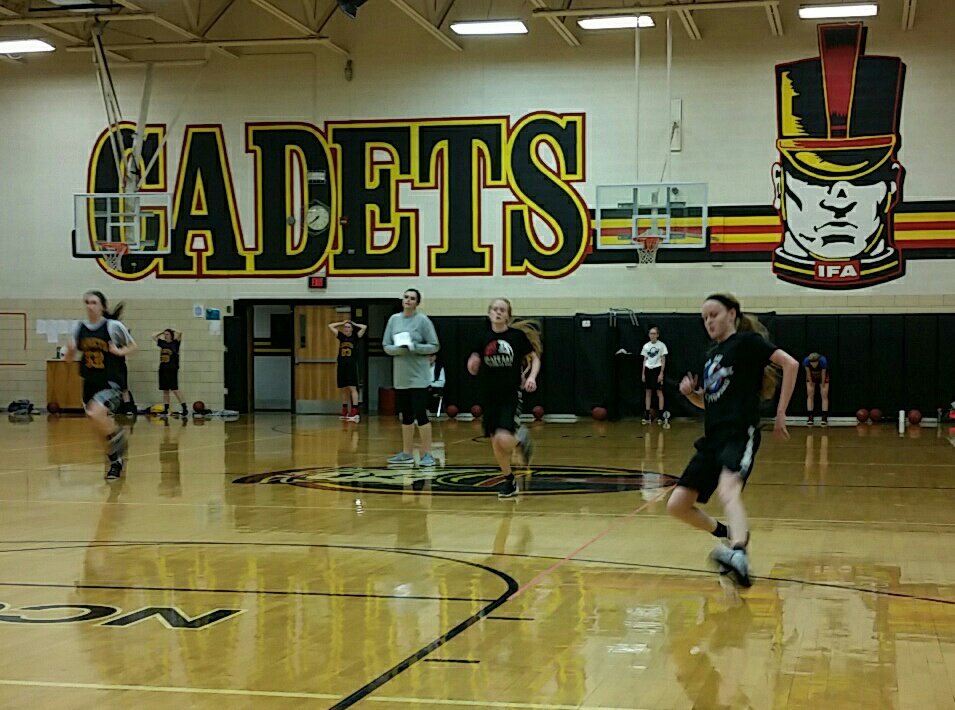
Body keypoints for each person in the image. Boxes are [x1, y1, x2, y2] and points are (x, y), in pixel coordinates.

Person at [667, 293, 798, 587]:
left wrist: (780, 412)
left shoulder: (748, 343)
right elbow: (709, 403)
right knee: (677, 505)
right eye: (704, 318)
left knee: (729, 490)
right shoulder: (710, 355)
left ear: (732, 314)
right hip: (712, 438)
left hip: (740, 432)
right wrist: (691, 395)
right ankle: (728, 533)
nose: (708, 322)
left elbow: (791, 364)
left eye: (713, 314)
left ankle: (739, 553)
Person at [467, 298, 541, 499]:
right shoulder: (482, 336)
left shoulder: (516, 337)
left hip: (509, 394)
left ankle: (521, 443)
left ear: (508, 315)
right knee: (496, 442)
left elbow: (535, 358)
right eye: (494, 309)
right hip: (488, 394)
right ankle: (509, 481)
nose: (498, 312)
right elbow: (473, 360)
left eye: (502, 310)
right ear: (489, 313)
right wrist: (473, 363)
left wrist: (532, 377)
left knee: (502, 436)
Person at [64, 291, 138, 480]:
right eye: (87, 302)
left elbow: (133, 346)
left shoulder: (113, 326)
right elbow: (68, 360)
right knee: (98, 426)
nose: (90, 306)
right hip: (90, 382)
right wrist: (70, 352)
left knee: (94, 412)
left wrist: (119, 351)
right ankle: (115, 461)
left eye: (94, 302)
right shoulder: (78, 328)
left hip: (111, 381)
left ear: (102, 306)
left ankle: (118, 437)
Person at [383, 289, 440, 466]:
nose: (408, 300)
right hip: (401, 377)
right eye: (406, 297)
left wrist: (414, 347)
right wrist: (398, 349)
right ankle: (406, 452)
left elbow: (434, 345)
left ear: (417, 303)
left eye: (412, 298)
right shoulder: (394, 320)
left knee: (420, 414)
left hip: (418, 377)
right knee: (406, 415)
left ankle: (427, 454)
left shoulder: (423, 321)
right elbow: (386, 345)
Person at [327, 319, 367, 422]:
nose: (346, 329)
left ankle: (355, 411)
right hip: (341, 365)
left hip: (351, 365)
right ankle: (345, 410)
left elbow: (364, 327)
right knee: (344, 388)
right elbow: (330, 326)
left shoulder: (355, 337)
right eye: (345, 327)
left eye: (348, 327)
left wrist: (354, 323)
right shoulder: (341, 337)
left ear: (352, 329)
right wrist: (342, 323)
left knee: (352, 388)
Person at [152, 328, 188, 417]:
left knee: (175, 389)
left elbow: (180, 332)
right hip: (163, 368)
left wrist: (173, 330)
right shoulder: (162, 343)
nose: (165, 335)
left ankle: (184, 407)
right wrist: (161, 331)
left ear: (171, 335)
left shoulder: (175, 343)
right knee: (165, 390)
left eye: (167, 334)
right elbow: (153, 336)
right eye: (165, 334)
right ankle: (166, 409)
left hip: (172, 369)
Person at [641, 326, 669, 424]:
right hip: (648, 369)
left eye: (654, 333)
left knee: (659, 392)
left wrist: (661, 373)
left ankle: (661, 415)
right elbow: (644, 360)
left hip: (657, 369)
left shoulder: (661, 346)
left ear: (657, 335)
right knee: (648, 392)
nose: (652, 335)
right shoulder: (646, 346)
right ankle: (647, 415)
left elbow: (663, 360)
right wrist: (643, 374)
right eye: (650, 333)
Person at [802, 352, 829, 426]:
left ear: (818, 361)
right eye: (811, 363)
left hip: (822, 376)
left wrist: (823, 384)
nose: (813, 365)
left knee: (824, 394)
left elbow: (823, 374)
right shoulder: (806, 361)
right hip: (811, 375)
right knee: (810, 394)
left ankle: (824, 416)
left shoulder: (823, 361)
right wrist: (810, 383)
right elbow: (808, 373)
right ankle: (810, 416)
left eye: (815, 363)